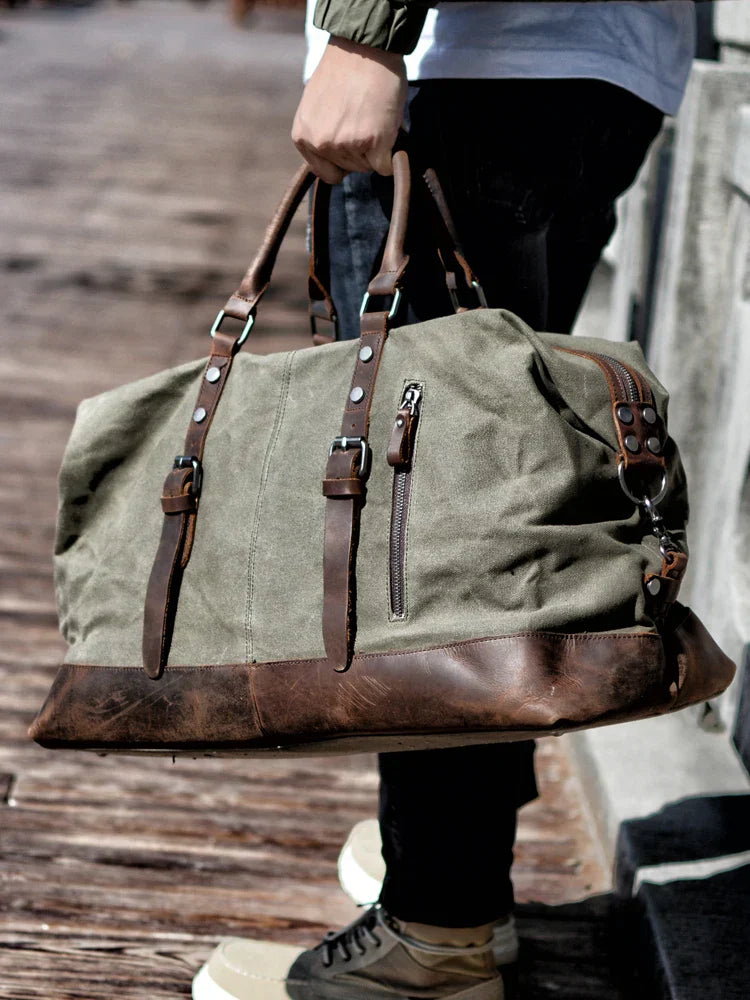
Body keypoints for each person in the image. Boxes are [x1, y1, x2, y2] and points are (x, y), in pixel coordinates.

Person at [193, 3, 696, 999]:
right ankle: (456, 876)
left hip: (469, 65)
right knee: (489, 488)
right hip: (601, 66)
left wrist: (367, 34)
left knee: (425, 517)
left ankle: (436, 932)